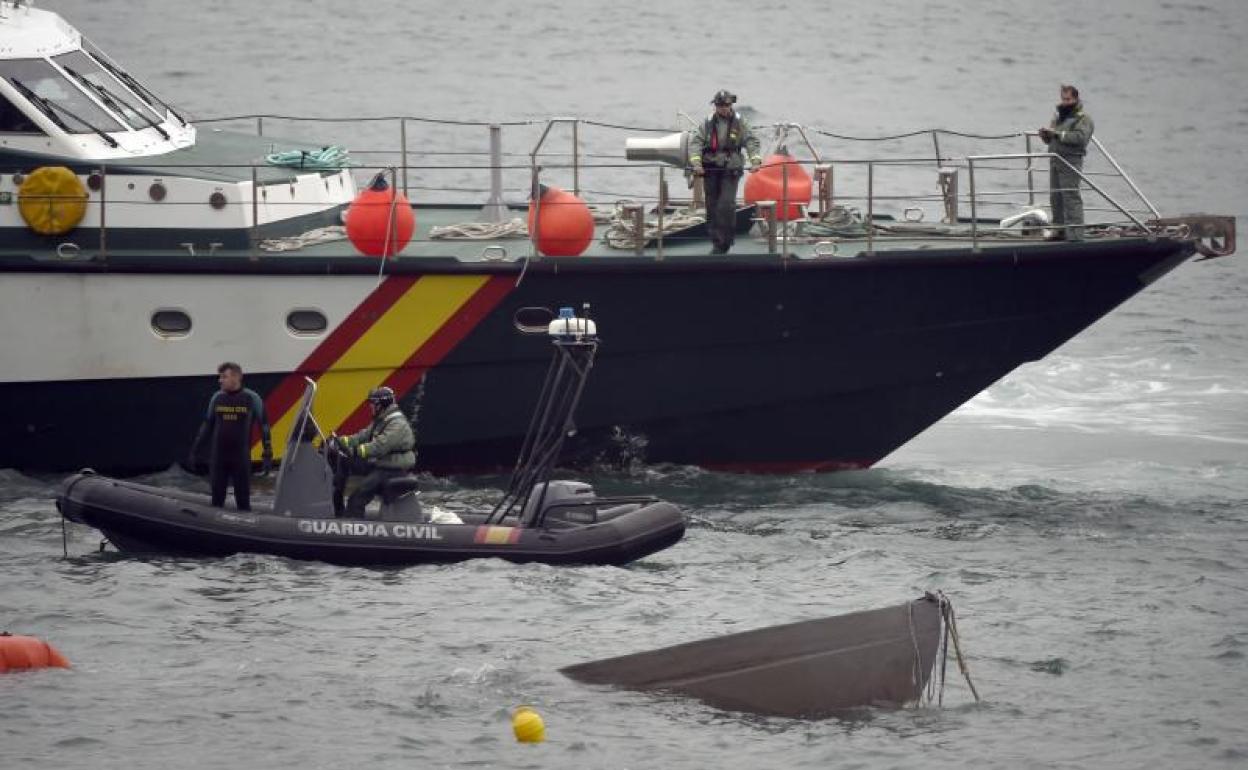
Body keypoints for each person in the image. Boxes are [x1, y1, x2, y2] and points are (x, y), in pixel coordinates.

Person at [190, 362, 272, 511]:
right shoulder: (217, 397)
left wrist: (267, 453)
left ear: (236, 377)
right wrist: (195, 450)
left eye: (224, 377)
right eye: (220, 377)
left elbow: (264, 425)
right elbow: (207, 425)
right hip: (218, 458)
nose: (220, 380)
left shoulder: (252, 398)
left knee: (243, 503)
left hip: (240, 459)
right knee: (216, 501)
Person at [689, 90, 762, 254]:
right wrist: (696, 163)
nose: (723, 108)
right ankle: (716, 241)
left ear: (731, 105)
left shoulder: (739, 122)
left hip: (731, 169)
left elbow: (751, 140)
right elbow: (696, 143)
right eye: (720, 105)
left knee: (726, 205)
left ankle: (725, 241)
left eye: (726, 105)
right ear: (715, 106)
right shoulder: (707, 123)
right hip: (711, 168)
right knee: (712, 206)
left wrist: (755, 160)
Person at [331, 386, 416, 518]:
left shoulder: (397, 424)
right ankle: (337, 504)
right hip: (382, 463)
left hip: (392, 468)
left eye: (373, 404)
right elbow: (362, 436)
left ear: (381, 404)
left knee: (357, 497)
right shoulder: (382, 419)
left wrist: (354, 451)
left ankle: (353, 527)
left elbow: (379, 447)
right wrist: (341, 441)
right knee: (345, 461)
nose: (371, 407)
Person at [1038, 84, 1094, 241]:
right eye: (1063, 99)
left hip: (1071, 161)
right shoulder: (1058, 115)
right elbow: (1052, 136)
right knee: (1055, 197)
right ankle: (1058, 230)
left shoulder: (1083, 118)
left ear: (1076, 98)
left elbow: (1080, 138)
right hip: (1056, 159)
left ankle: (1075, 234)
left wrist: (1057, 134)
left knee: (1071, 197)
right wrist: (1045, 135)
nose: (1065, 102)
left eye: (1068, 99)